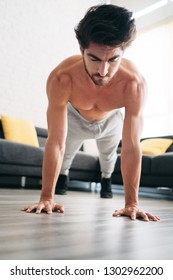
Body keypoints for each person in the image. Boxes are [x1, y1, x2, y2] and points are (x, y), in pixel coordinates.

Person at [22, 4, 160, 221]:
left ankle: (108, 185)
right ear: (81, 49)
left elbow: (132, 147)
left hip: (111, 120)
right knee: (65, 155)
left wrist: (132, 204)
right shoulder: (62, 78)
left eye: (113, 59)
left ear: (123, 52)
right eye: (95, 59)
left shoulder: (134, 84)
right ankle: (58, 187)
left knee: (108, 161)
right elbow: (55, 142)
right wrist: (46, 198)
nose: (103, 71)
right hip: (75, 118)